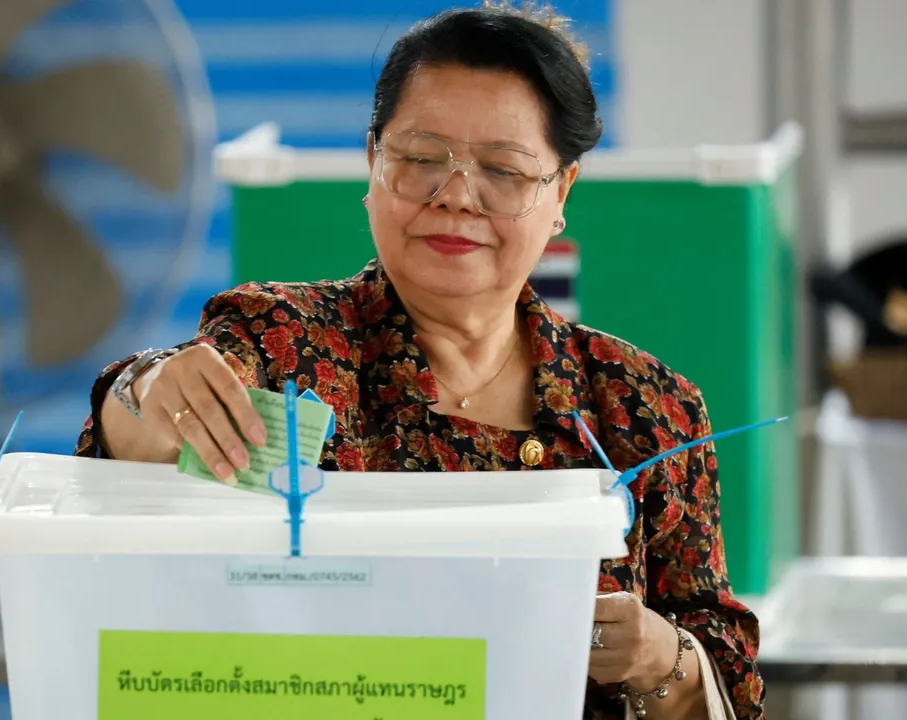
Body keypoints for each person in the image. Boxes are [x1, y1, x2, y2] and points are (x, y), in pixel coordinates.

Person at [76, 4, 762, 718]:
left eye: (502, 169)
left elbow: (727, 679)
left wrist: (661, 657)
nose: (456, 196)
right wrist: (147, 390)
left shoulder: (645, 408)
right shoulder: (282, 342)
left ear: (560, 193)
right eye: (422, 159)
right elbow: (141, 442)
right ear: (373, 161)